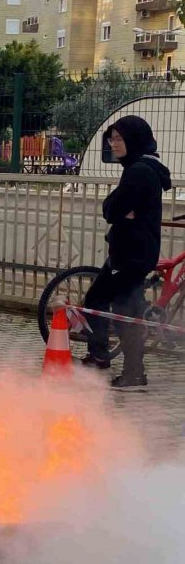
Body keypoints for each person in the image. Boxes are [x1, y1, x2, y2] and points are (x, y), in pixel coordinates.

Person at [82, 115, 171, 388]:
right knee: (99, 300)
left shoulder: (139, 172)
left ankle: (134, 372)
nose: (114, 144)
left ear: (134, 139)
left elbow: (112, 210)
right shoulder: (140, 168)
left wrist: (117, 209)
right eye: (111, 138)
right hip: (128, 251)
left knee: (123, 311)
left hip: (132, 253)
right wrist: (119, 209)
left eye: (119, 139)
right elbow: (118, 209)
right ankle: (99, 354)